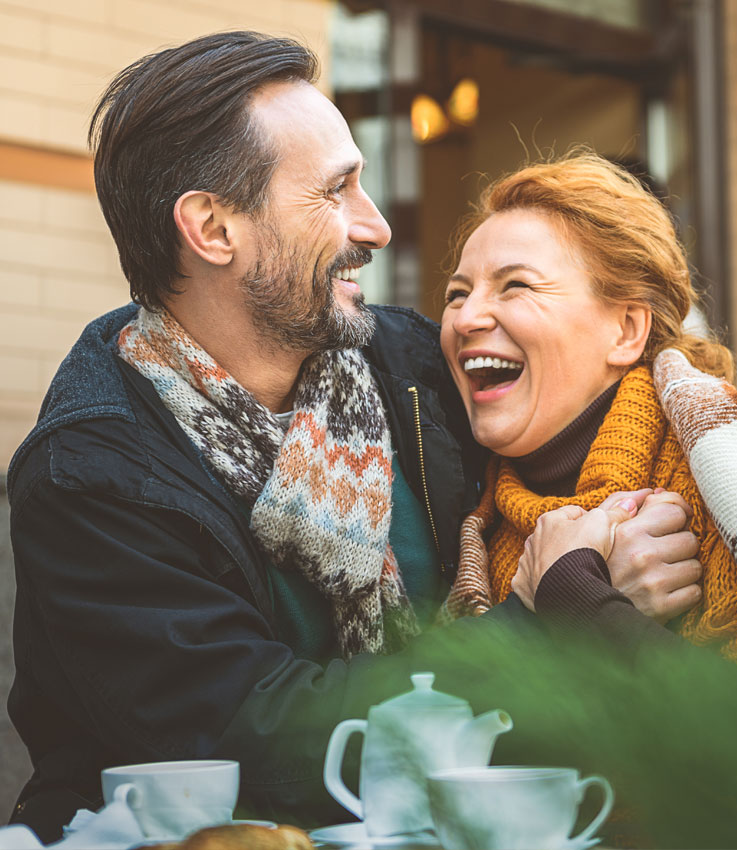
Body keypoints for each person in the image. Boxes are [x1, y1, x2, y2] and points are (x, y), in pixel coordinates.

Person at [5, 34, 697, 843]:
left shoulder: (409, 366)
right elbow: (259, 739)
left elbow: (582, 409)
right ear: (213, 228)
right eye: (335, 192)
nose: (375, 225)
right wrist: (545, 621)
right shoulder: (93, 472)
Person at [440, 150, 737, 736]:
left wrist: (574, 594)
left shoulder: (732, 488)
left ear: (627, 330)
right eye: (457, 293)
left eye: (516, 286)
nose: (466, 317)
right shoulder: (469, 518)